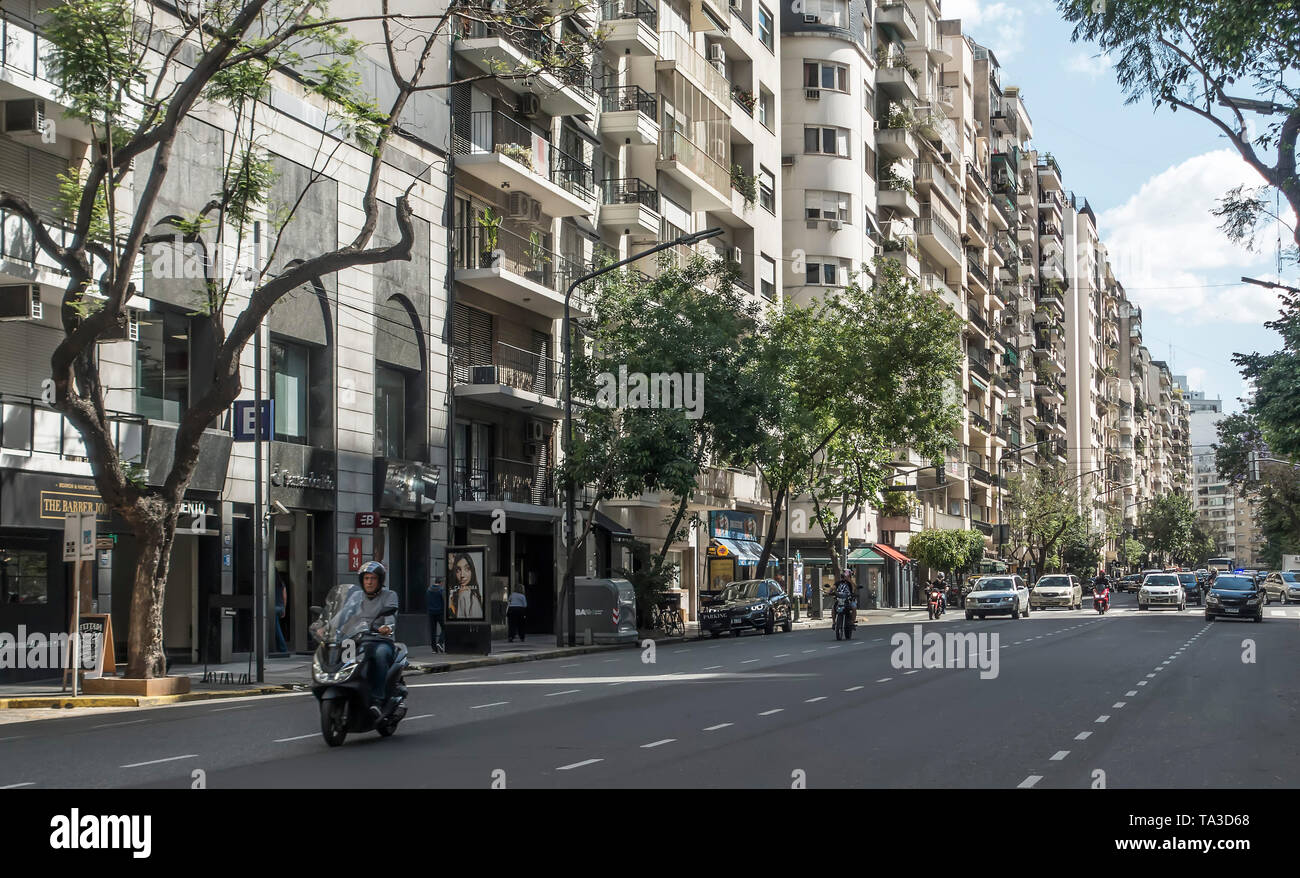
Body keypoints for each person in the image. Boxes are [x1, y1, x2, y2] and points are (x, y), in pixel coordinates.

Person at [356, 561, 399, 721]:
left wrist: (387, 627)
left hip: (381, 640)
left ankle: (377, 699)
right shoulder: (356, 597)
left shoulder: (389, 595)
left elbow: (390, 615)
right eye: (366, 578)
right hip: (359, 640)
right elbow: (343, 615)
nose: (369, 582)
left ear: (380, 580)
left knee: (380, 655)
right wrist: (327, 626)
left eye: (373, 578)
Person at [448, 552, 484, 620]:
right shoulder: (461, 594)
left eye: (467, 569)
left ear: (472, 571)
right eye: (458, 570)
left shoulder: (466, 594)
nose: (462, 575)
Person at [425, 576, 446, 654]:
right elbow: (444, 601)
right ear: (441, 582)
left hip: (431, 613)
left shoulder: (429, 590)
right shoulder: (441, 590)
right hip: (440, 612)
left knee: (432, 631)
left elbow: (427, 600)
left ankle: (434, 649)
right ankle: (440, 642)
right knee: (445, 628)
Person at [273, 567, 289, 654]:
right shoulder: (281, 583)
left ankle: (283, 648)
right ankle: (279, 647)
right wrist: (284, 609)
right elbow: (284, 597)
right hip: (280, 607)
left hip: (273, 608)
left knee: (277, 628)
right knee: (276, 627)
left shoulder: (270, 583)